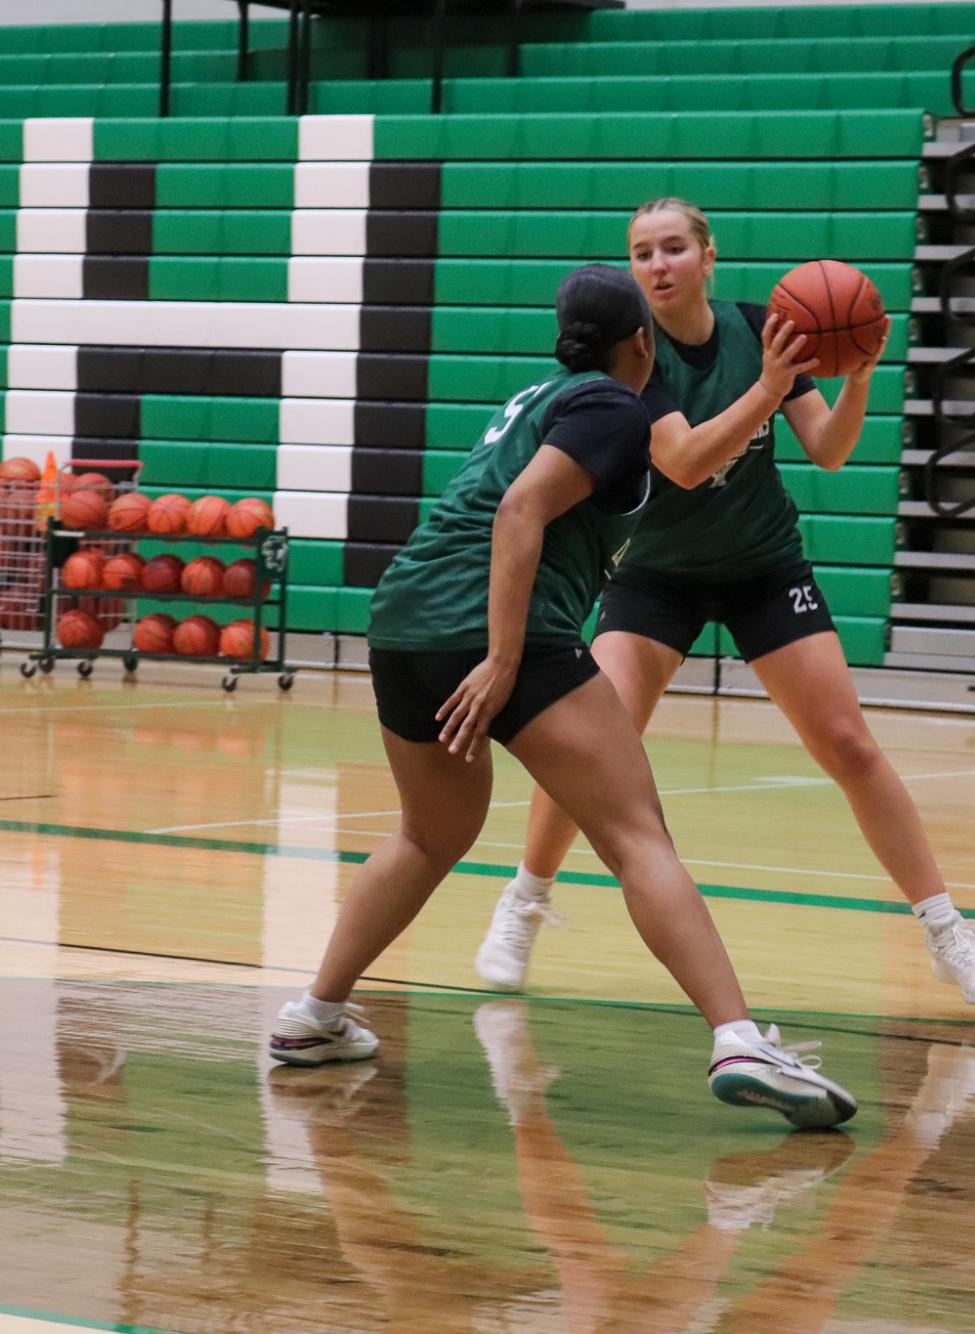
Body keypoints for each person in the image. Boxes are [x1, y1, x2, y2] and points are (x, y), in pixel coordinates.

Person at [267, 264, 857, 1130]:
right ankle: (736, 1038)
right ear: (641, 345)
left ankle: (314, 1016)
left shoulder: (541, 395)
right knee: (635, 835)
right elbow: (517, 513)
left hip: (402, 623)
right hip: (500, 630)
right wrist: (505, 658)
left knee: (429, 834)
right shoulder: (614, 406)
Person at [476, 198, 975, 1005]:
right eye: (641, 253)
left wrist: (858, 379)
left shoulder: (765, 326)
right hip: (654, 572)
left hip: (761, 564)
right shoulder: (636, 359)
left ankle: (944, 931)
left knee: (848, 743)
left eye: (672, 249)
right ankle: (524, 900)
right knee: (592, 747)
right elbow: (686, 464)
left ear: (706, 257)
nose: (657, 266)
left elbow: (828, 451)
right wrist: (767, 388)